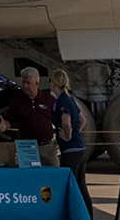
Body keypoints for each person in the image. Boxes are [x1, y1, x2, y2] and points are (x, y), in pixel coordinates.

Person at [0, 68, 58, 166]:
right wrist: (4, 125)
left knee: (52, 175)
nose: (25, 86)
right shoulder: (17, 100)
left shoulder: (49, 99)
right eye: (23, 82)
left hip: (46, 146)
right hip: (26, 147)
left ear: (37, 83)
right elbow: (9, 119)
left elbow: (57, 119)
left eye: (28, 83)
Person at [51, 68, 91, 220]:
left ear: (54, 83)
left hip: (70, 151)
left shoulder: (61, 101)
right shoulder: (71, 99)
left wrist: (67, 136)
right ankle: (87, 215)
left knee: (70, 187)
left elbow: (66, 122)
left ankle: (73, 215)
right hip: (80, 148)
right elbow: (83, 119)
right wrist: (76, 134)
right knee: (81, 186)